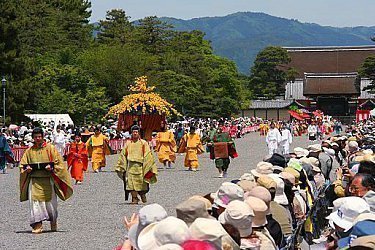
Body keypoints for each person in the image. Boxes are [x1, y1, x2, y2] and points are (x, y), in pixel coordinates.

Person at [19, 127, 73, 234]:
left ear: (43, 137)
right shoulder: (29, 151)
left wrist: (52, 167)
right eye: (36, 137)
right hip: (35, 181)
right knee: (35, 203)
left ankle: (53, 221)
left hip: (48, 179)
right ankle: (38, 225)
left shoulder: (50, 148)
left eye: (39, 136)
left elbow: (59, 164)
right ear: (33, 138)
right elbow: (22, 165)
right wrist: (26, 169)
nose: (38, 139)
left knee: (50, 203)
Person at [115, 125, 158, 204]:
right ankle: (134, 198)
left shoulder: (143, 143)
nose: (135, 133)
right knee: (130, 184)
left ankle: (142, 194)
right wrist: (121, 166)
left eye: (136, 132)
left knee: (142, 183)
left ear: (139, 133)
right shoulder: (128, 143)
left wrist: (148, 166)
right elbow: (123, 155)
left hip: (140, 166)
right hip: (130, 167)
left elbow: (148, 155)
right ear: (131, 133)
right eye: (133, 132)